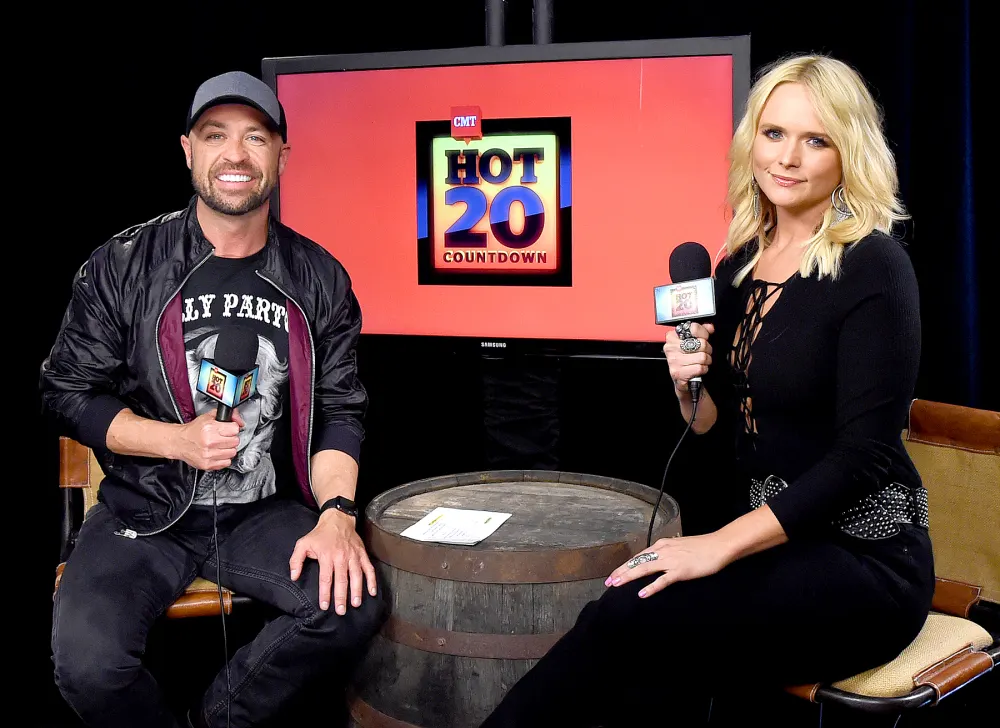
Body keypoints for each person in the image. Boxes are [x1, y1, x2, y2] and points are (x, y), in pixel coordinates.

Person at [479, 54, 934, 727]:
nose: (787, 158)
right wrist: (687, 387)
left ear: (849, 155)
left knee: (627, 618)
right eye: (774, 133)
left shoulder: (874, 265)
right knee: (642, 651)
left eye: (816, 140)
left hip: (865, 561)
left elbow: (862, 457)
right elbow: (717, 434)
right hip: (772, 544)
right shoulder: (738, 266)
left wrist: (717, 545)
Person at [41, 71, 386, 728]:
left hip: (262, 512)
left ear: (282, 155)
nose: (235, 154)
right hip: (144, 510)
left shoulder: (319, 278)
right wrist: (173, 440)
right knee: (88, 667)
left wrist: (337, 515)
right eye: (215, 135)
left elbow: (340, 411)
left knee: (352, 604)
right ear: (188, 150)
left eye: (256, 137)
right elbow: (64, 393)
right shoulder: (122, 264)